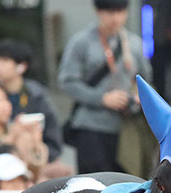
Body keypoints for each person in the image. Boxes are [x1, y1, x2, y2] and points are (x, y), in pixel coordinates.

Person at [58, 0, 152, 174]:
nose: (115, 18)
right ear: (98, 11)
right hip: (92, 126)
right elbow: (67, 81)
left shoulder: (134, 43)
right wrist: (101, 98)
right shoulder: (81, 42)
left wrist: (140, 97)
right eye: (109, 12)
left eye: (120, 11)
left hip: (127, 127)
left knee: (128, 181)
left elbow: (145, 81)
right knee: (94, 185)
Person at [0, 38, 72, 181]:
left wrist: (47, 158)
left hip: (37, 161)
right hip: (0, 163)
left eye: (4, 60)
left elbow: (53, 132)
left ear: (21, 66)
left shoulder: (37, 95)